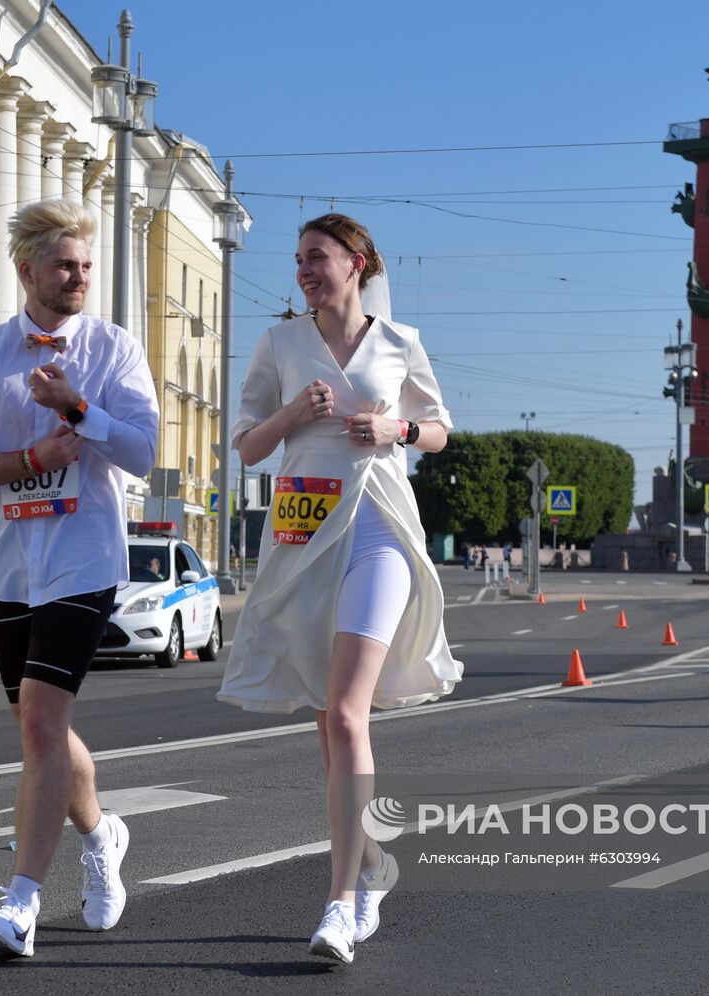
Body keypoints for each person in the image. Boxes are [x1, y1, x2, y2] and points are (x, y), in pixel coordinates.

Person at [219, 213, 462, 963]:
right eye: (297, 259)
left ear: (358, 264)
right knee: (327, 719)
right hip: (302, 533)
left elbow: (440, 428)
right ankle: (374, 864)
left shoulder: (400, 342)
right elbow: (249, 445)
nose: (304, 270)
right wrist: (297, 412)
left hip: (380, 526)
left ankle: (341, 903)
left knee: (349, 714)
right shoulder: (279, 344)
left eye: (317, 257)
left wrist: (397, 432)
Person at [0, 199, 158, 958]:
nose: (79, 277)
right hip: (9, 562)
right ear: (27, 268)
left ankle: (21, 904)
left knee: (39, 722)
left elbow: (142, 451)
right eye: (66, 264)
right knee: (43, 729)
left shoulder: (114, 349)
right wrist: (31, 460)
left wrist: (78, 408)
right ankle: (102, 833)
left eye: (87, 266)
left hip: (85, 557)